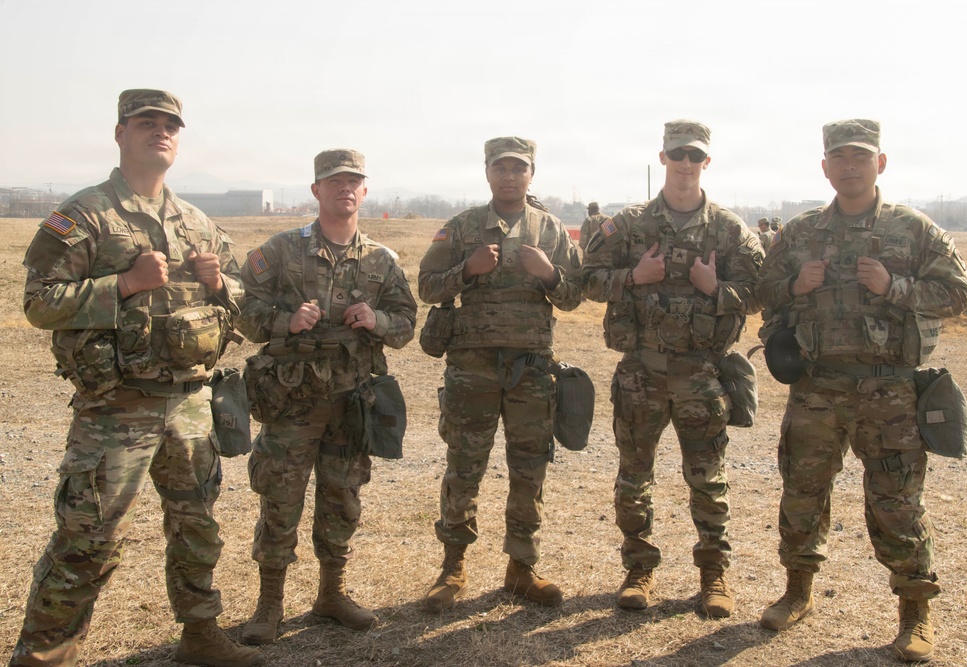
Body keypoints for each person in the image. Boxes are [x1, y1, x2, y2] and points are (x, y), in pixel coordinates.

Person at [11, 89, 259, 667]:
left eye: (170, 124)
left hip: (190, 402)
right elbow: (38, 302)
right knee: (87, 537)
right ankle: (43, 655)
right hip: (116, 407)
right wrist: (122, 285)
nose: (160, 132)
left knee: (197, 526)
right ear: (119, 133)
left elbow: (247, 307)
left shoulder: (197, 223)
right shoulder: (85, 215)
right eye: (146, 123)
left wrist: (221, 285)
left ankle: (200, 637)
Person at [755, 119, 967, 662]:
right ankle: (796, 592)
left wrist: (893, 287)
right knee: (802, 495)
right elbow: (760, 292)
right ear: (825, 167)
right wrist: (793, 285)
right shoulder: (800, 233)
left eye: (861, 156)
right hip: (816, 388)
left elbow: (956, 294)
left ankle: (915, 614)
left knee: (897, 503)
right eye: (840, 157)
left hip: (889, 391)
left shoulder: (913, 229)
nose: (850, 166)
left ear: (881, 163)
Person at [582, 120, 764, 617]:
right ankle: (638, 568)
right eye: (677, 153)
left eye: (695, 155)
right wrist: (632, 276)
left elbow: (759, 292)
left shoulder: (728, 230)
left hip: (701, 374)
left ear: (708, 162)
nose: (686, 163)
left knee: (708, 478)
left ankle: (713, 575)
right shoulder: (630, 224)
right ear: (662, 157)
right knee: (634, 476)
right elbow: (586, 279)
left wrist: (715, 289)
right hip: (640, 373)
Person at [235, 149, 417, 643]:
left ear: (364, 190)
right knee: (280, 498)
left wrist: (376, 320)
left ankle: (331, 594)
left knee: (342, 498)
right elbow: (238, 308)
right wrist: (283, 321)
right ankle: (268, 605)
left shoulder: (382, 259)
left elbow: (406, 322)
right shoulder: (279, 252)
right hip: (293, 401)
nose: (344, 189)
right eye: (334, 181)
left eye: (353, 181)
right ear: (316, 190)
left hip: (351, 402)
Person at [418, 136, 583, 612]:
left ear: (532, 173)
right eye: (500, 168)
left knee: (529, 468)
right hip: (472, 368)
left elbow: (575, 296)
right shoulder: (463, 226)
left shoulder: (551, 230)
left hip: (530, 369)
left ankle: (522, 568)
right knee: (464, 464)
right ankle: (452, 567)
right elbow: (427, 287)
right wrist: (466, 271)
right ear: (487, 172)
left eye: (519, 168)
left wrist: (550, 274)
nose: (509, 176)